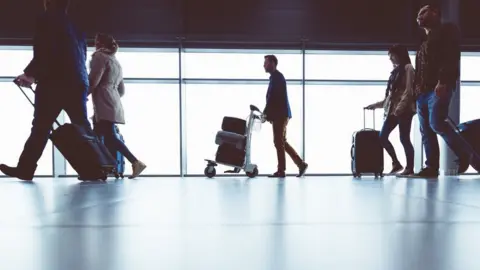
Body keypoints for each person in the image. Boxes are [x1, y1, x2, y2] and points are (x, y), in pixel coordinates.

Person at [0, 0, 93, 181]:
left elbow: (45, 50)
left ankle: (25, 169)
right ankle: (95, 168)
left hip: (55, 83)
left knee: (41, 128)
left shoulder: (47, 19)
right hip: (78, 82)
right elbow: (80, 56)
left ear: (48, 3)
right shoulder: (76, 27)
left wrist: (31, 75)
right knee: (83, 128)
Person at [411, 4, 461, 178]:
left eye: (423, 12)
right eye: (418, 14)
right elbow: (420, 69)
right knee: (426, 131)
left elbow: (451, 56)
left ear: (435, 13)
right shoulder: (424, 41)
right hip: (422, 93)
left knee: (437, 123)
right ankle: (431, 167)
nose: (419, 16)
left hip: (437, 87)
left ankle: (469, 156)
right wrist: (416, 91)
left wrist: (443, 81)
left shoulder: (447, 30)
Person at [89, 33, 147, 179]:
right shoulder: (116, 62)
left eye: (96, 42)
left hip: (103, 102)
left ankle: (134, 162)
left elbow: (93, 80)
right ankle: (103, 168)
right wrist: (111, 95)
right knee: (101, 136)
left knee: (107, 137)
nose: (94, 44)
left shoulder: (99, 57)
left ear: (100, 44)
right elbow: (122, 90)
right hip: (113, 102)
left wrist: (84, 95)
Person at [365, 45, 416, 176]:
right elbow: (390, 97)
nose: (391, 59)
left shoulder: (408, 68)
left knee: (404, 138)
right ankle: (396, 163)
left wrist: (400, 108)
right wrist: (375, 105)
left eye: (392, 56)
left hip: (404, 110)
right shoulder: (395, 72)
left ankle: (409, 168)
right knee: (382, 137)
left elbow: (408, 92)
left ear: (399, 54)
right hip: (393, 110)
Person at [263, 55, 308, 178]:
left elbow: (273, 98)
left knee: (278, 142)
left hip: (280, 115)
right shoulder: (275, 77)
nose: (264, 65)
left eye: (266, 63)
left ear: (272, 63)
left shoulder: (277, 77)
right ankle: (301, 164)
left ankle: (281, 170)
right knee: (282, 142)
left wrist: (266, 113)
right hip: (280, 114)